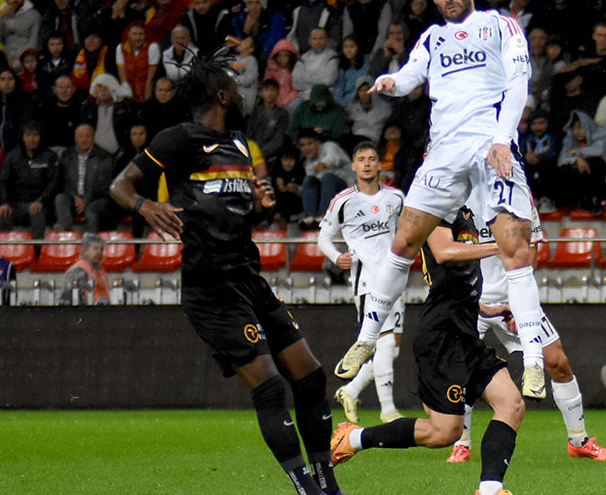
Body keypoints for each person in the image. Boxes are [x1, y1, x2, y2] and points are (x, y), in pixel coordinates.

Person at [109, 56, 343, 495]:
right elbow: (119, 185)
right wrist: (145, 205)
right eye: (236, 88)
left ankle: (326, 482)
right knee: (271, 387)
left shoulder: (237, 144)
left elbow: (236, 212)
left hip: (248, 277)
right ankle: (306, 490)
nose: (243, 95)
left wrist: (258, 205)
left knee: (310, 377)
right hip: (210, 287)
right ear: (220, 95)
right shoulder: (176, 139)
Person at [339, 0, 548, 404]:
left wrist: (501, 139)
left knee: (515, 250)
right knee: (403, 243)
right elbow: (410, 77)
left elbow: (519, 80)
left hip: (492, 149)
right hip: (444, 153)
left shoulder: (499, 25)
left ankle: (533, 358)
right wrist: (388, 83)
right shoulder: (433, 39)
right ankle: (367, 338)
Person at [330, 198, 524, 495]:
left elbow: (455, 279)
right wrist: (501, 247)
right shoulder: (435, 206)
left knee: (512, 404)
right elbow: (444, 253)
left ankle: (490, 489)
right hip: (442, 337)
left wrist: (487, 309)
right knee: (444, 433)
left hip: (465, 331)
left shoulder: (464, 210)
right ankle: (355, 438)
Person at [450, 191, 606, 465]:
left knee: (557, 362)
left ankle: (579, 440)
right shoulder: (457, 195)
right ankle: (461, 444)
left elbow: (531, 250)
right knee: (460, 369)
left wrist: (521, 304)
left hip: (514, 299)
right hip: (473, 301)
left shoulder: (517, 194)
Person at [321, 142, 407, 425]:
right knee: (381, 340)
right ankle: (388, 410)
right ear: (353, 166)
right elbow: (323, 237)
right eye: (361, 159)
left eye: (373, 158)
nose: (368, 163)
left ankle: (351, 390)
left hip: (396, 279)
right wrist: (337, 257)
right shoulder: (343, 201)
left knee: (391, 347)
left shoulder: (396, 198)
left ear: (380, 164)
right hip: (367, 280)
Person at [0, 122, 59, 240]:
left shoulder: (50, 156)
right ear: (22, 137)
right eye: (28, 135)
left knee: (38, 214)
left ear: (40, 137)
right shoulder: (12, 156)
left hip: (41, 204)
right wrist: (5, 203)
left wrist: (41, 201)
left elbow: (53, 183)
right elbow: (3, 181)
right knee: (2, 214)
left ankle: (36, 252)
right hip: (17, 204)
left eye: (35, 135)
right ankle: (2, 252)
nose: (31, 139)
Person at [55, 124, 115, 232]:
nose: (84, 140)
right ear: (75, 138)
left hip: (95, 199)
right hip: (74, 198)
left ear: (93, 138)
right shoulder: (66, 155)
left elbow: (103, 184)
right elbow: (63, 181)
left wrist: (86, 200)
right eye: (80, 136)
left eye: (87, 136)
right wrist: (74, 197)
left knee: (92, 211)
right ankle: (68, 236)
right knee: (60, 199)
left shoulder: (103, 156)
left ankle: (90, 243)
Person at [556, 110, 606, 214]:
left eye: (580, 127)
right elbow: (561, 160)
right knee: (568, 167)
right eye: (574, 128)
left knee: (595, 162)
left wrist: (577, 152)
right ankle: (578, 201)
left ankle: (595, 201)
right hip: (581, 183)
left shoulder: (599, 136)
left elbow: (597, 151)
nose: (576, 131)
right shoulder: (570, 140)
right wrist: (577, 159)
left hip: (604, 183)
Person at [296, 129, 352, 221]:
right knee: (309, 180)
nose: (306, 148)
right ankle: (309, 217)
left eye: (310, 144)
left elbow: (333, 158)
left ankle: (325, 217)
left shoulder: (329, 146)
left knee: (328, 178)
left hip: (348, 190)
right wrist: (297, 189)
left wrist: (324, 164)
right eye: (302, 145)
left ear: (318, 143)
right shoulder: (308, 164)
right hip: (329, 196)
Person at [0, 0, 42, 70]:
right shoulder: (0, 16)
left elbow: (33, 43)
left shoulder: (34, 15)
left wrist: (16, 58)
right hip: (5, 57)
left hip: (26, 58)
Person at [57, 234, 111, 306]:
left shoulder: (101, 270)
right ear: (85, 250)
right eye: (95, 249)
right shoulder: (77, 270)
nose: (99, 252)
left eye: (101, 249)